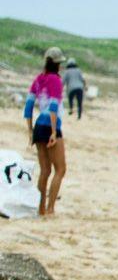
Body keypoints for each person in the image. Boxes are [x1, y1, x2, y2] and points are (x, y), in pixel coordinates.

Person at [22, 47, 66, 216]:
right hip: (51, 126)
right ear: (57, 64)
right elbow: (54, 107)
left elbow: (28, 107)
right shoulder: (56, 80)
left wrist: (30, 130)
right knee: (60, 169)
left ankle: (40, 208)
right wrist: (54, 132)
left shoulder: (38, 79)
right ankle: (50, 209)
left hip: (39, 126)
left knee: (45, 170)